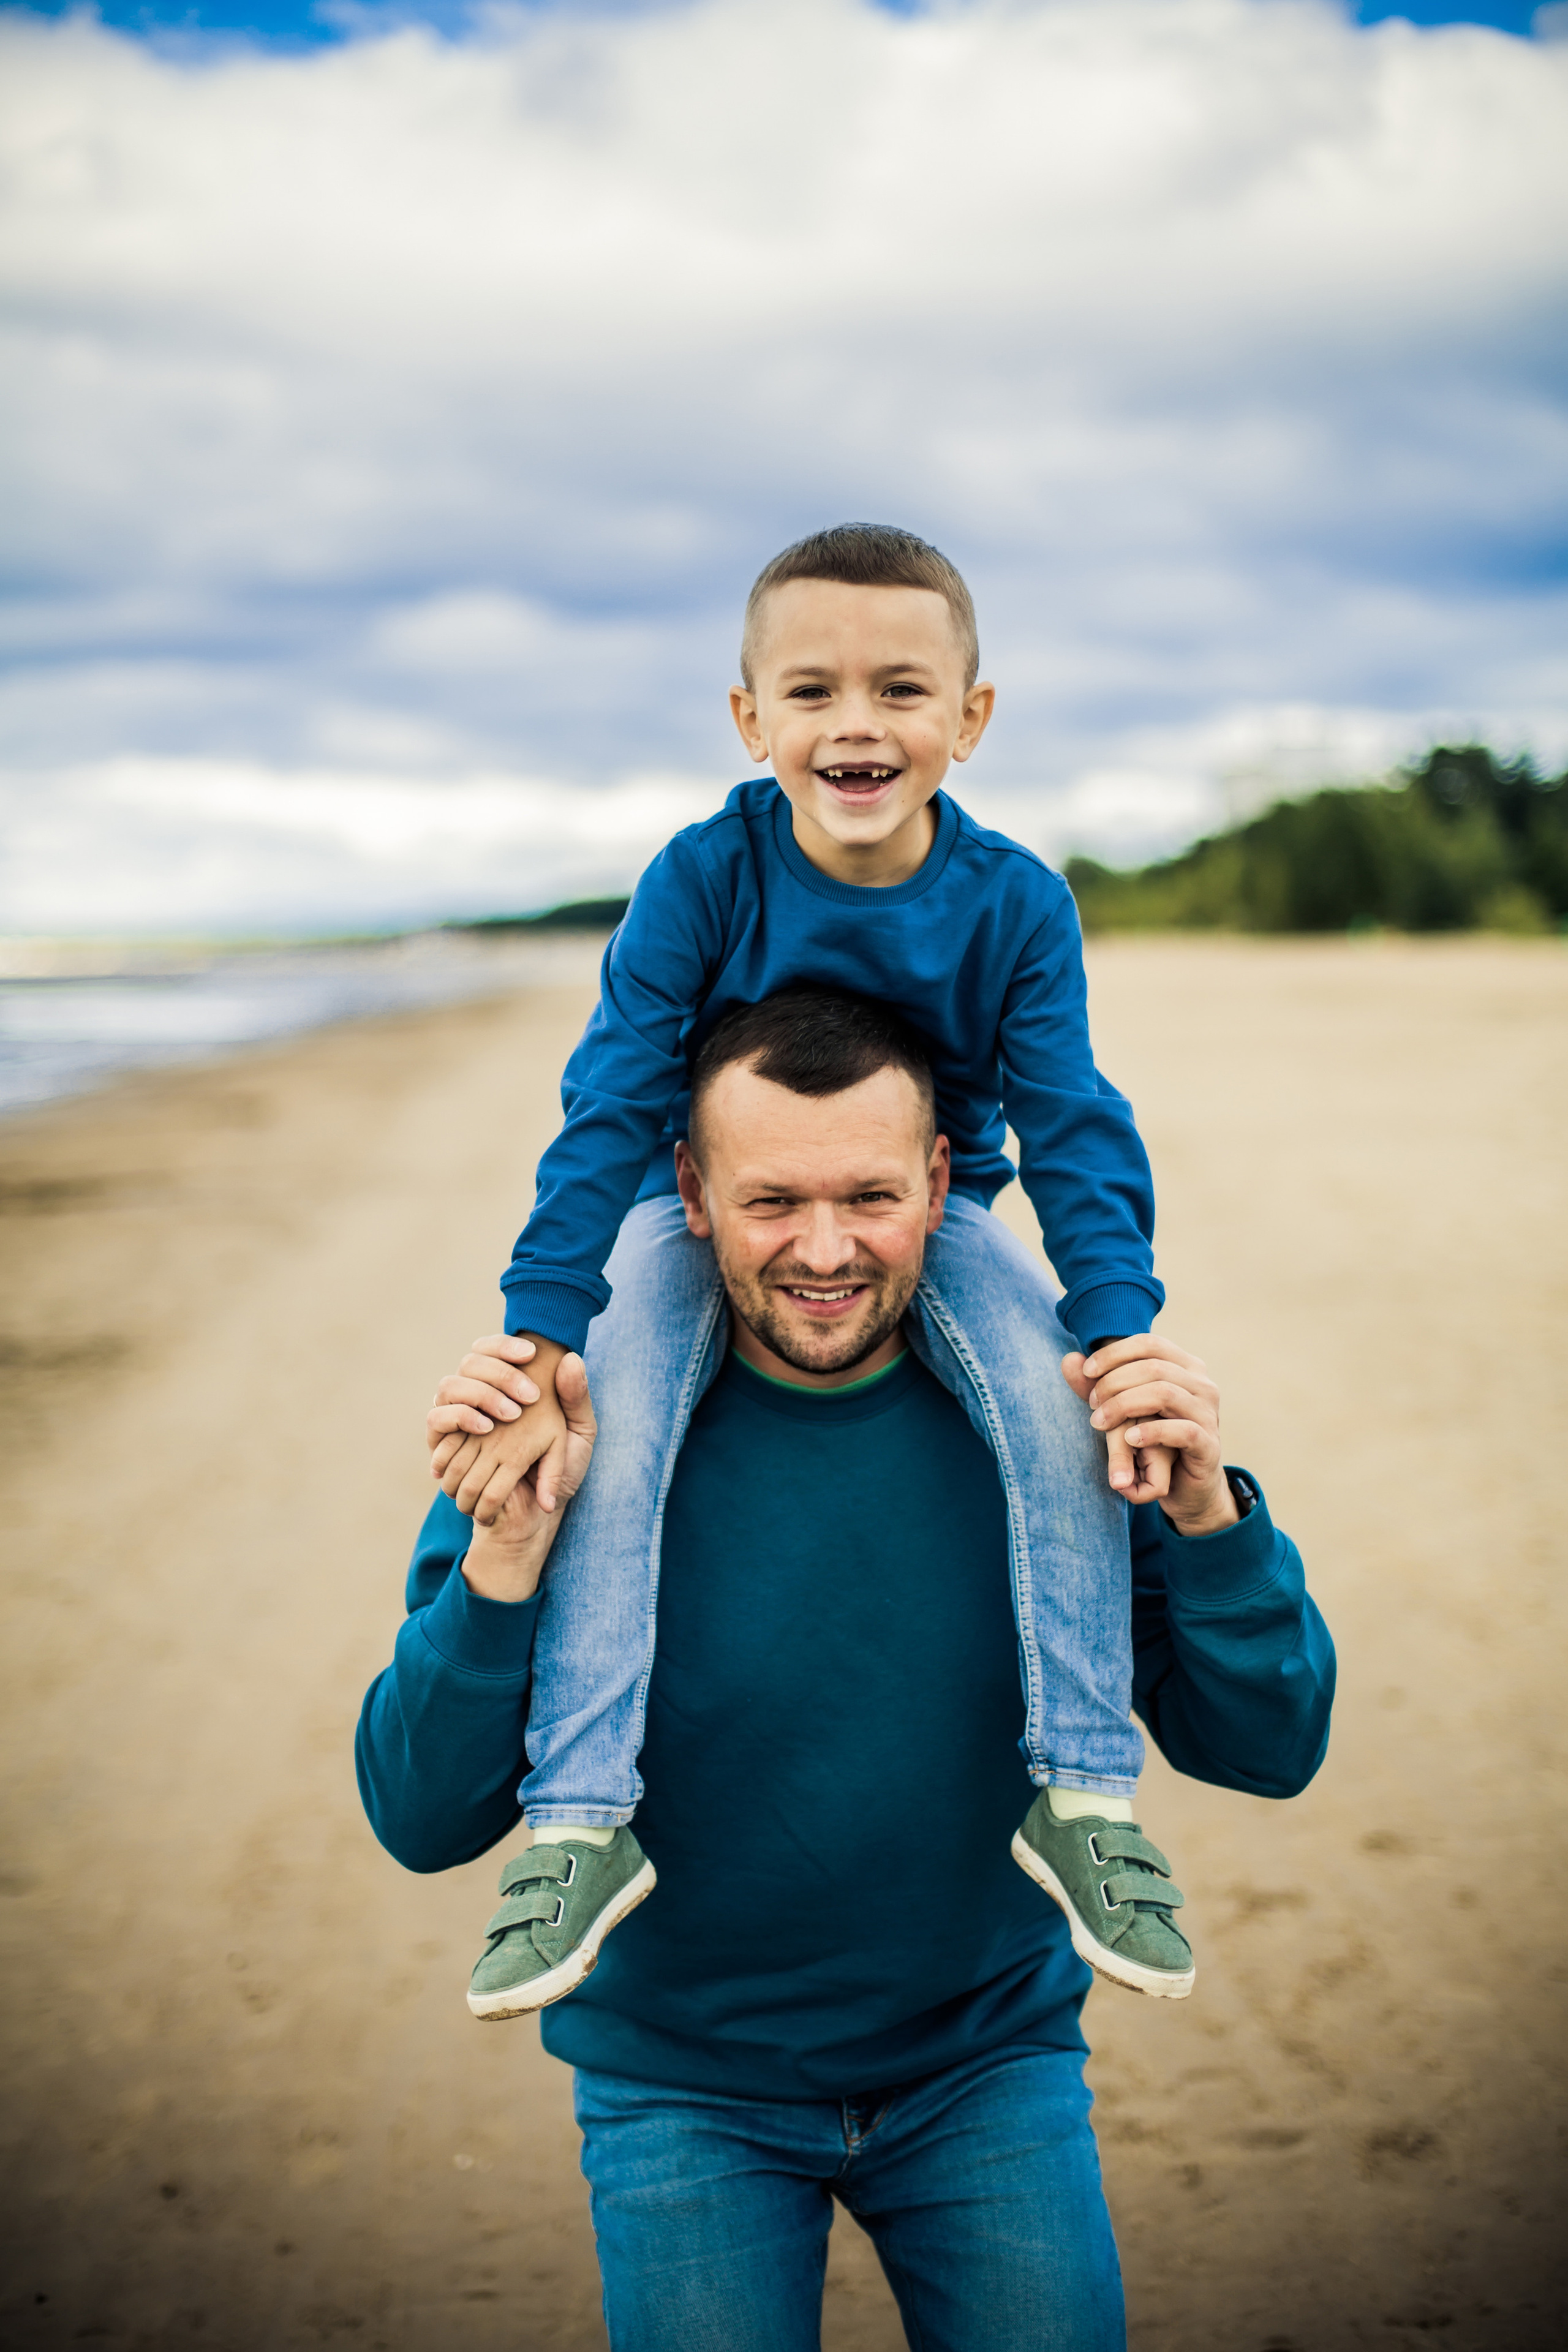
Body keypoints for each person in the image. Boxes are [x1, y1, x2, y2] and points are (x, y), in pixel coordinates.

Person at [356, 993, 1333, 2352]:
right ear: (688, 1191)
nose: (824, 1252)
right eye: (772, 1202)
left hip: (984, 2069)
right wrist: (505, 1560)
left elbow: (1268, 1746)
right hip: (679, 2093)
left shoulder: (1058, 1431)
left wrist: (1210, 1522)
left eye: (871, 1195)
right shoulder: (575, 1427)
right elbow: (416, 1816)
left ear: (942, 1182)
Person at [431, 523, 1199, 2017]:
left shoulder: (1013, 903)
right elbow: (606, 1101)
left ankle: (1088, 1798)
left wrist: (1114, 1327)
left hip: (936, 1209)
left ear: (969, 721)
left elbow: (1074, 1128)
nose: (857, 723)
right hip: (704, 1211)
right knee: (617, 1427)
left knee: (1062, 1416)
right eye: (813, 690)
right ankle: (581, 1819)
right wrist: (539, 1327)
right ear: (750, 719)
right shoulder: (701, 877)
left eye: (902, 689)